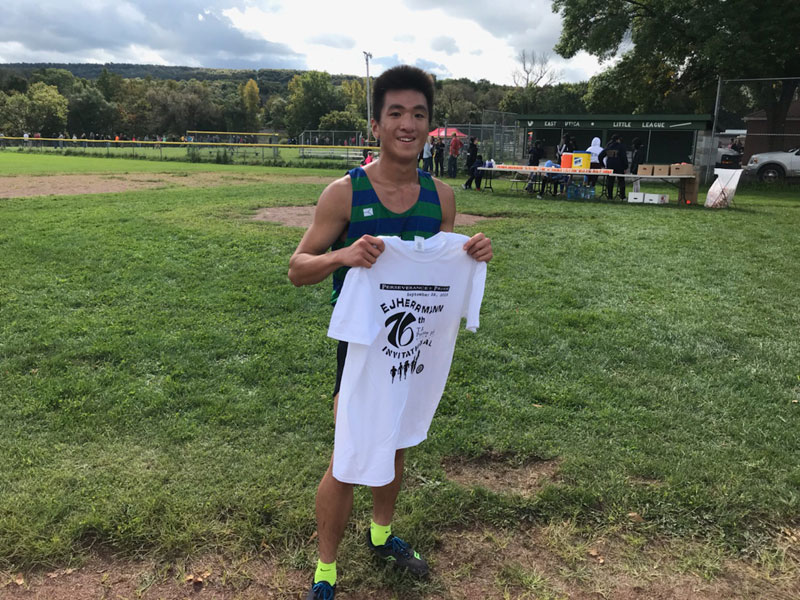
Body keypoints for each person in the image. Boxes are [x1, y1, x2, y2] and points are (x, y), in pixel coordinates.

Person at [288, 65, 492, 600]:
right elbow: (297, 268)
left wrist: (470, 255)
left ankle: (381, 536)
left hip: (417, 342)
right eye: (396, 113)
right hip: (360, 345)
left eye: (418, 114)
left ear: (430, 126)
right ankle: (326, 570)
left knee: (398, 445)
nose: (408, 124)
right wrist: (344, 256)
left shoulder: (442, 197)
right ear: (375, 124)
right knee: (348, 454)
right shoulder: (345, 194)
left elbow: (435, 269)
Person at [599, 134, 629, 200]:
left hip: (610, 166)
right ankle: (622, 196)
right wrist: (625, 167)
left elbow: (600, 156)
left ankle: (610, 197)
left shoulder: (608, 146)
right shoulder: (621, 146)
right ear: (618, 139)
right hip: (619, 167)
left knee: (610, 182)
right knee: (621, 181)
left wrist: (602, 165)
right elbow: (624, 157)